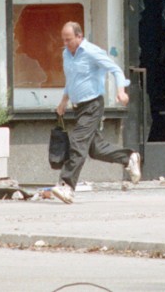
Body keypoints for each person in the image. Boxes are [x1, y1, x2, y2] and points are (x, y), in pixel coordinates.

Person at [51, 21, 141, 204]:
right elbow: (71, 79)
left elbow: (115, 69)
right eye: (64, 40)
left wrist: (121, 91)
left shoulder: (92, 52)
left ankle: (67, 186)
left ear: (79, 36)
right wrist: (63, 101)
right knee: (95, 149)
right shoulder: (66, 54)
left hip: (92, 105)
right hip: (78, 108)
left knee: (77, 141)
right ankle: (128, 157)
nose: (66, 43)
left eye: (69, 40)